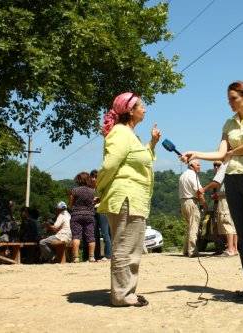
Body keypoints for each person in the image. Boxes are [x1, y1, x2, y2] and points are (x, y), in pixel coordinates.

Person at [180, 81, 243, 299]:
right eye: (229, 99)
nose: (229, 102)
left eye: (233, 98)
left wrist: (229, 154)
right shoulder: (228, 123)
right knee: (242, 233)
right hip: (232, 179)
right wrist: (197, 153)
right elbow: (221, 153)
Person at [96, 92, 161, 307]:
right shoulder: (121, 133)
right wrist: (100, 189)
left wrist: (152, 142)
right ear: (130, 111)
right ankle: (122, 296)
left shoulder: (131, 135)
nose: (145, 110)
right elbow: (109, 165)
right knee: (124, 248)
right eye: (142, 106)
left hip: (134, 199)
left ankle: (127, 293)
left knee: (132, 248)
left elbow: (141, 159)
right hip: (125, 197)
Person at [199, 160, 238, 256]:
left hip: (224, 200)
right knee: (232, 225)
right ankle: (235, 249)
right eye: (214, 165)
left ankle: (230, 249)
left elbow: (216, 182)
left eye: (218, 165)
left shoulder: (223, 168)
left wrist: (204, 189)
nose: (216, 167)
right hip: (231, 198)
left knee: (226, 222)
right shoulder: (231, 169)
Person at [178, 159, 207, 258]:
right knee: (194, 226)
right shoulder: (193, 175)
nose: (199, 167)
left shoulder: (183, 175)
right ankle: (192, 251)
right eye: (198, 165)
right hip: (191, 201)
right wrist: (204, 203)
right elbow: (198, 191)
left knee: (189, 226)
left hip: (183, 201)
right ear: (191, 166)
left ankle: (186, 250)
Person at [82, 169, 111, 262]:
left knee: (105, 232)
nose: (94, 179)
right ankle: (96, 256)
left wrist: (95, 201)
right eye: (92, 177)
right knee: (94, 233)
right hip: (92, 211)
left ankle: (108, 255)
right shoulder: (88, 188)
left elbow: (104, 198)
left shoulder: (102, 187)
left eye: (95, 177)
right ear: (90, 178)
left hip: (102, 210)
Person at [69, 171, 96, 263]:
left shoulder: (74, 190)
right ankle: (91, 257)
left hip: (76, 215)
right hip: (89, 215)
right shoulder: (92, 191)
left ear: (78, 180)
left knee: (76, 236)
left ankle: (76, 258)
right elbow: (94, 202)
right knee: (91, 237)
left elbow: (70, 204)